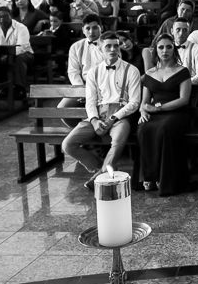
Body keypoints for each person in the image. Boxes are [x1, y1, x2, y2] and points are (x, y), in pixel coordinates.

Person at [61, 31, 142, 188]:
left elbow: (134, 102)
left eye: (115, 46)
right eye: (108, 46)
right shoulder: (93, 72)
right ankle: (103, 170)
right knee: (68, 145)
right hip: (98, 113)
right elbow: (90, 101)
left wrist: (114, 118)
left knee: (117, 140)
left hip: (121, 115)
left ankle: (102, 176)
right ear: (100, 49)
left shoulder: (131, 70)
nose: (112, 49)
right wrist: (94, 119)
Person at [137, 36, 196, 195]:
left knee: (164, 129)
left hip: (177, 112)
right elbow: (144, 102)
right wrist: (143, 112)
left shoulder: (182, 71)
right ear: (156, 50)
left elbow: (184, 100)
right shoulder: (150, 73)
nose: (165, 51)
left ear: (174, 49)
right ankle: (149, 176)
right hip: (155, 112)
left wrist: (159, 108)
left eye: (169, 47)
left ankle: (163, 178)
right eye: (161, 47)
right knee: (143, 128)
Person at [0, 5, 33, 89]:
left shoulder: (21, 28)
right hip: (3, 56)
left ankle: (19, 88)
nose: (2, 20)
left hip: (25, 54)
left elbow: (22, 47)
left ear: (10, 16)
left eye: (5, 16)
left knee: (19, 59)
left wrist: (8, 56)